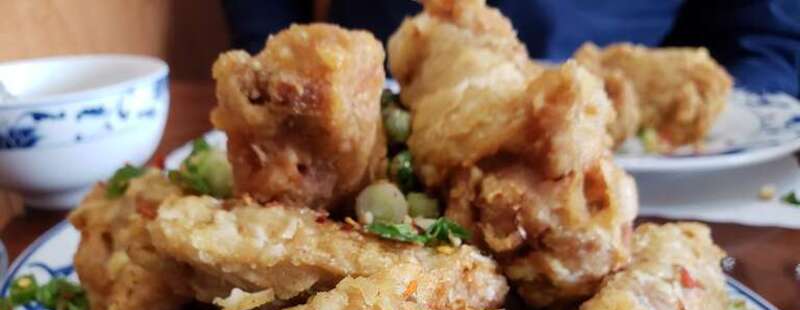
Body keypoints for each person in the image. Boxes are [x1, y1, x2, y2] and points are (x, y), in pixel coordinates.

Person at [222, 0, 800, 97]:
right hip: (372, 84)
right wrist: (274, 74)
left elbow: (769, 34)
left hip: (663, 185)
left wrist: (720, 143)